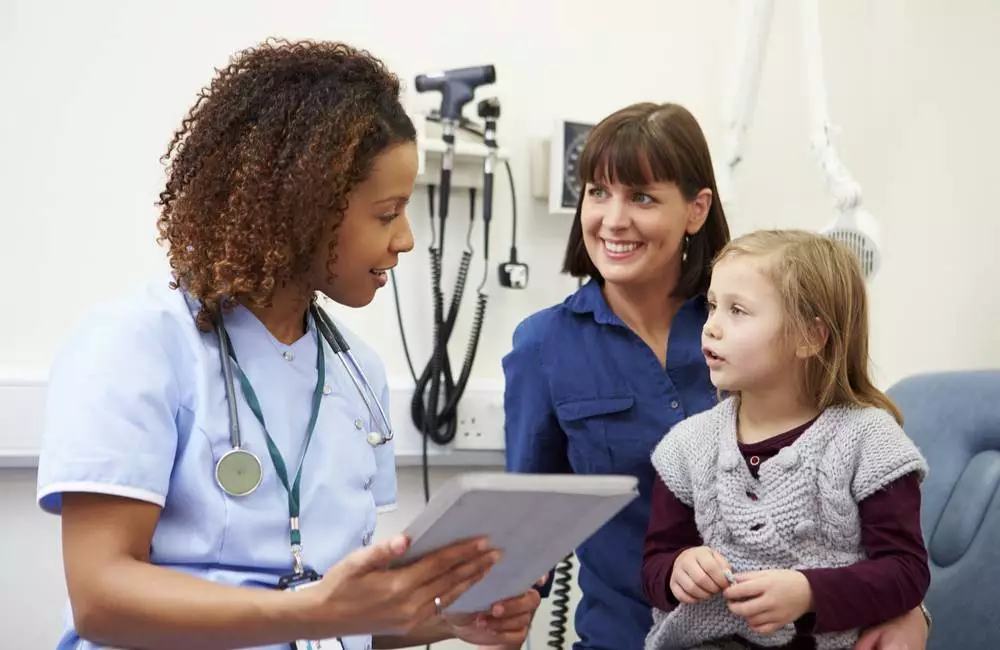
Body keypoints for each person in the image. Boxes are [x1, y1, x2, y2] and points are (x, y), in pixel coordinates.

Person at [35, 38, 540, 650]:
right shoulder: (133, 345)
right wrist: (315, 614)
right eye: (387, 214)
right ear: (303, 209)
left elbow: (340, 610)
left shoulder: (357, 372)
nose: (406, 240)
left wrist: (449, 617)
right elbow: (101, 598)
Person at [500, 102, 930, 650]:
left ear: (696, 209)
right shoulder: (544, 347)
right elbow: (526, 529)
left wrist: (909, 610)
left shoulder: (760, 314)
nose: (612, 219)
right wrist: (490, 607)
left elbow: (861, 522)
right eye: (597, 192)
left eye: (642, 197)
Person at [642, 229, 930, 650]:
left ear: (810, 337)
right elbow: (655, 563)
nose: (711, 328)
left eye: (738, 310)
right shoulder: (687, 447)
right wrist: (677, 570)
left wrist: (808, 593)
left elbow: (906, 572)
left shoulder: (869, 441)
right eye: (712, 306)